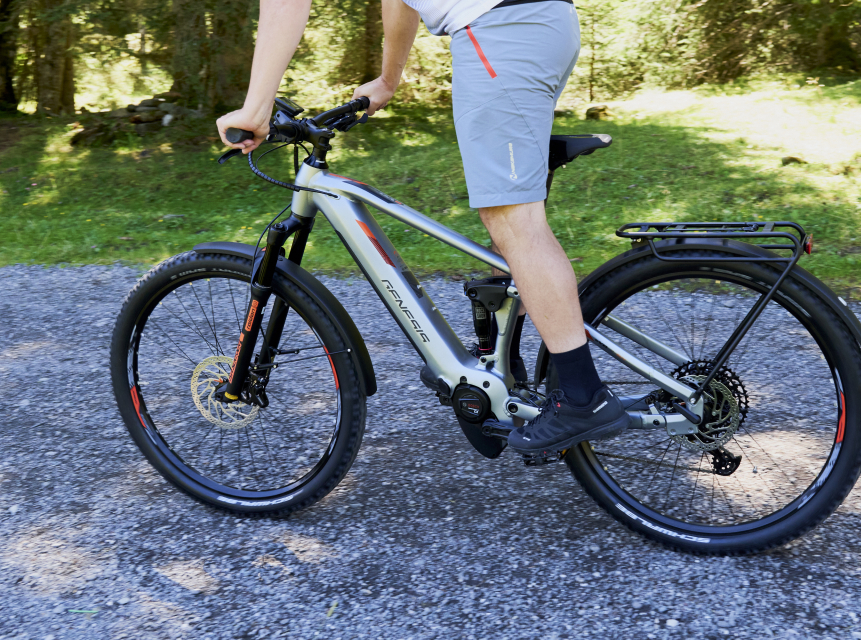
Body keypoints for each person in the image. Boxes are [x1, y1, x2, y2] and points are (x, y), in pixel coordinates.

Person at [216, 0, 629, 453]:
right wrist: (388, 79)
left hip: (499, 31)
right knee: (507, 227)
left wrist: (255, 107)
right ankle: (502, 380)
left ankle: (581, 397)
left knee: (515, 222)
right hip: (540, 21)